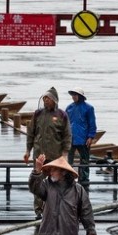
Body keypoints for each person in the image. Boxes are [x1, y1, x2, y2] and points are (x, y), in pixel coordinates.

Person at [23, 87, 72, 217]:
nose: (46, 100)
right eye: (44, 98)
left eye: (48, 98)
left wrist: (65, 153)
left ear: (54, 100)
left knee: (56, 183)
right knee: (38, 182)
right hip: (39, 156)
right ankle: (38, 211)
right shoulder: (37, 114)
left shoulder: (62, 115)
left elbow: (67, 136)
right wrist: (28, 150)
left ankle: (54, 208)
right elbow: (31, 133)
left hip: (55, 157)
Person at [66, 88, 97, 186]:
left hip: (83, 138)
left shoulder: (89, 108)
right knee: (68, 159)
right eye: (73, 95)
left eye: (75, 95)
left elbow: (92, 124)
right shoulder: (69, 108)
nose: (73, 97)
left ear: (81, 96)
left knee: (84, 159)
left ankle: (84, 178)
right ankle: (68, 177)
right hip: (71, 138)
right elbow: (65, 123)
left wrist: (90, 137)